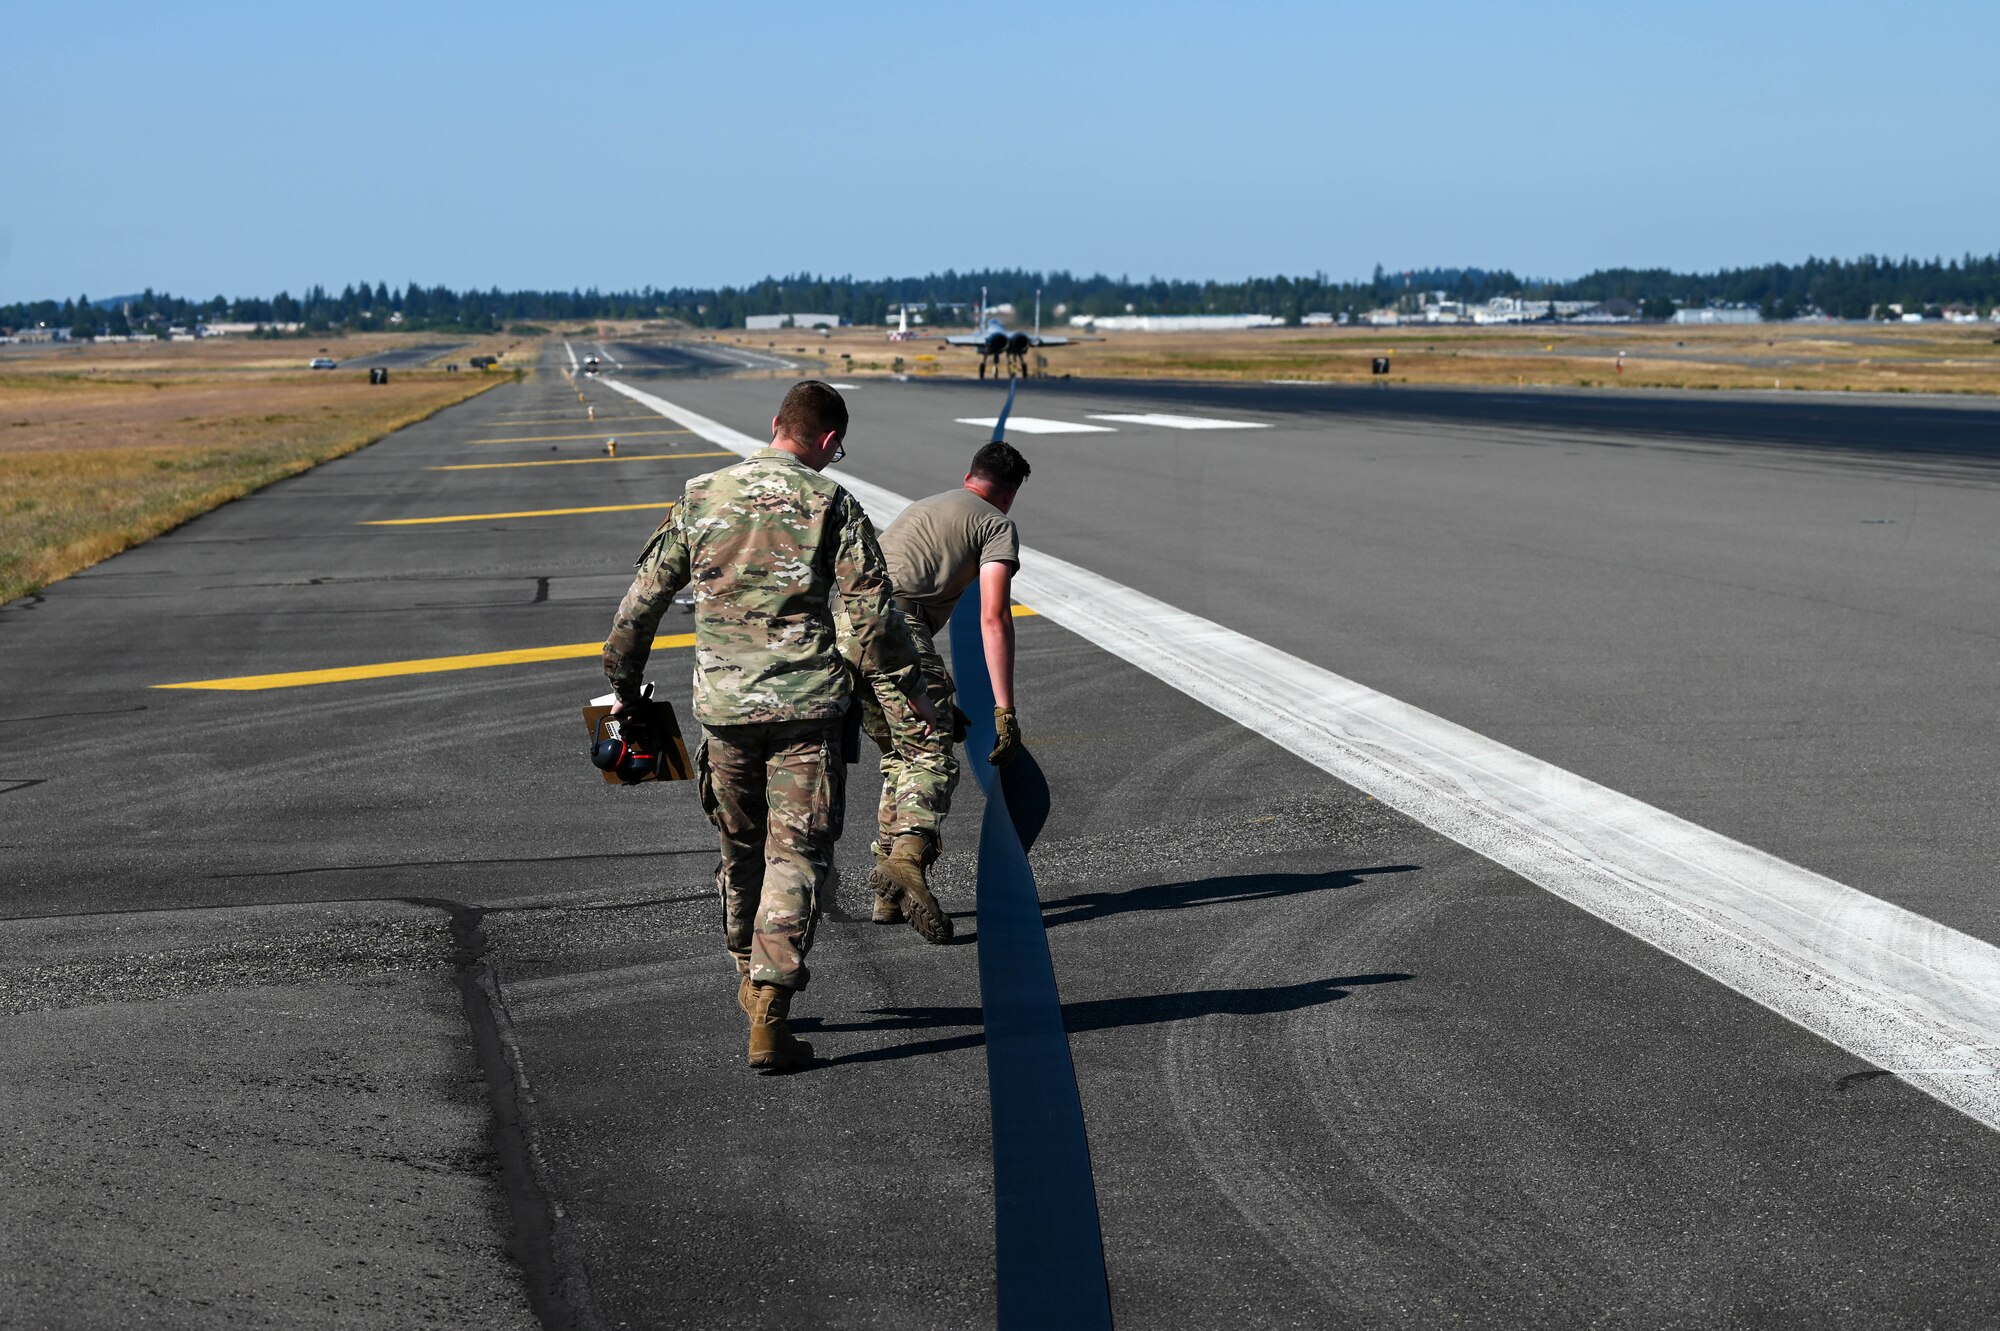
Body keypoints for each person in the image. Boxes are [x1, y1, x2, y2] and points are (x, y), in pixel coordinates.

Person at [602, 381, 937, 1073]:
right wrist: (909, 698)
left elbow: (639, 607)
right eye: (836, 448)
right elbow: (875, 621)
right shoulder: (832, 503)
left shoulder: (701, 494)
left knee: (740, 850)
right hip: (808, 712)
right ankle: (770, 1004)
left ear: (775, 424)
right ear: (823, 439)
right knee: (797, 856)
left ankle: (745, 973)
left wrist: (624, 687)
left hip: (724, 713)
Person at [859, 440, 1032, 937]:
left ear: (969, 476)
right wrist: (1005, 710)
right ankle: (908, 859)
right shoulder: (995, 523)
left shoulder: (923, 506)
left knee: (900, 755)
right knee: (932, 758)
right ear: (1009, 493)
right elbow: (994, 616)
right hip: (897, 629)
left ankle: (888, 897)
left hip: (844, 631)